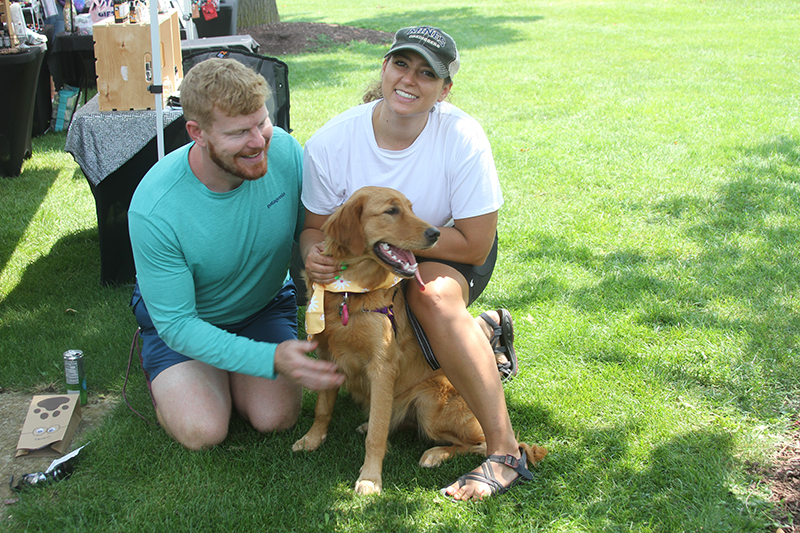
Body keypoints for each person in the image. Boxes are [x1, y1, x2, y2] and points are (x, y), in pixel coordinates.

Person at [300, 26, 526, 501]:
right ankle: (478, 337)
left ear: (444, 90)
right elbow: (315, 229)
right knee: (351, 321)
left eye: (428, 73)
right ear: (384, 69)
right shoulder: (332, 140)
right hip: (366, 255)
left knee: (432, 297)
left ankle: (504, 452)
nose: (410, 80)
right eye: (401, 64)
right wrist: (314, 258)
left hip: (449, 250)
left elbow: (475, 245)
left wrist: (396, 246)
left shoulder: (462, 135)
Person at [128, 58, 345, 451]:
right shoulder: (155, 207)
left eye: (261, 122)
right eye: (239, 132)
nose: (259, 141)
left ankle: (220, 373)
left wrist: (317, 251)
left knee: (275, 419)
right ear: (197, 132)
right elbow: (177, 324)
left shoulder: (283, 152)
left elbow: (311, 230)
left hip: (262, 306)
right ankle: (184, 377)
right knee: (203, 431)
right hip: (187, 322)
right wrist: (271, 358)